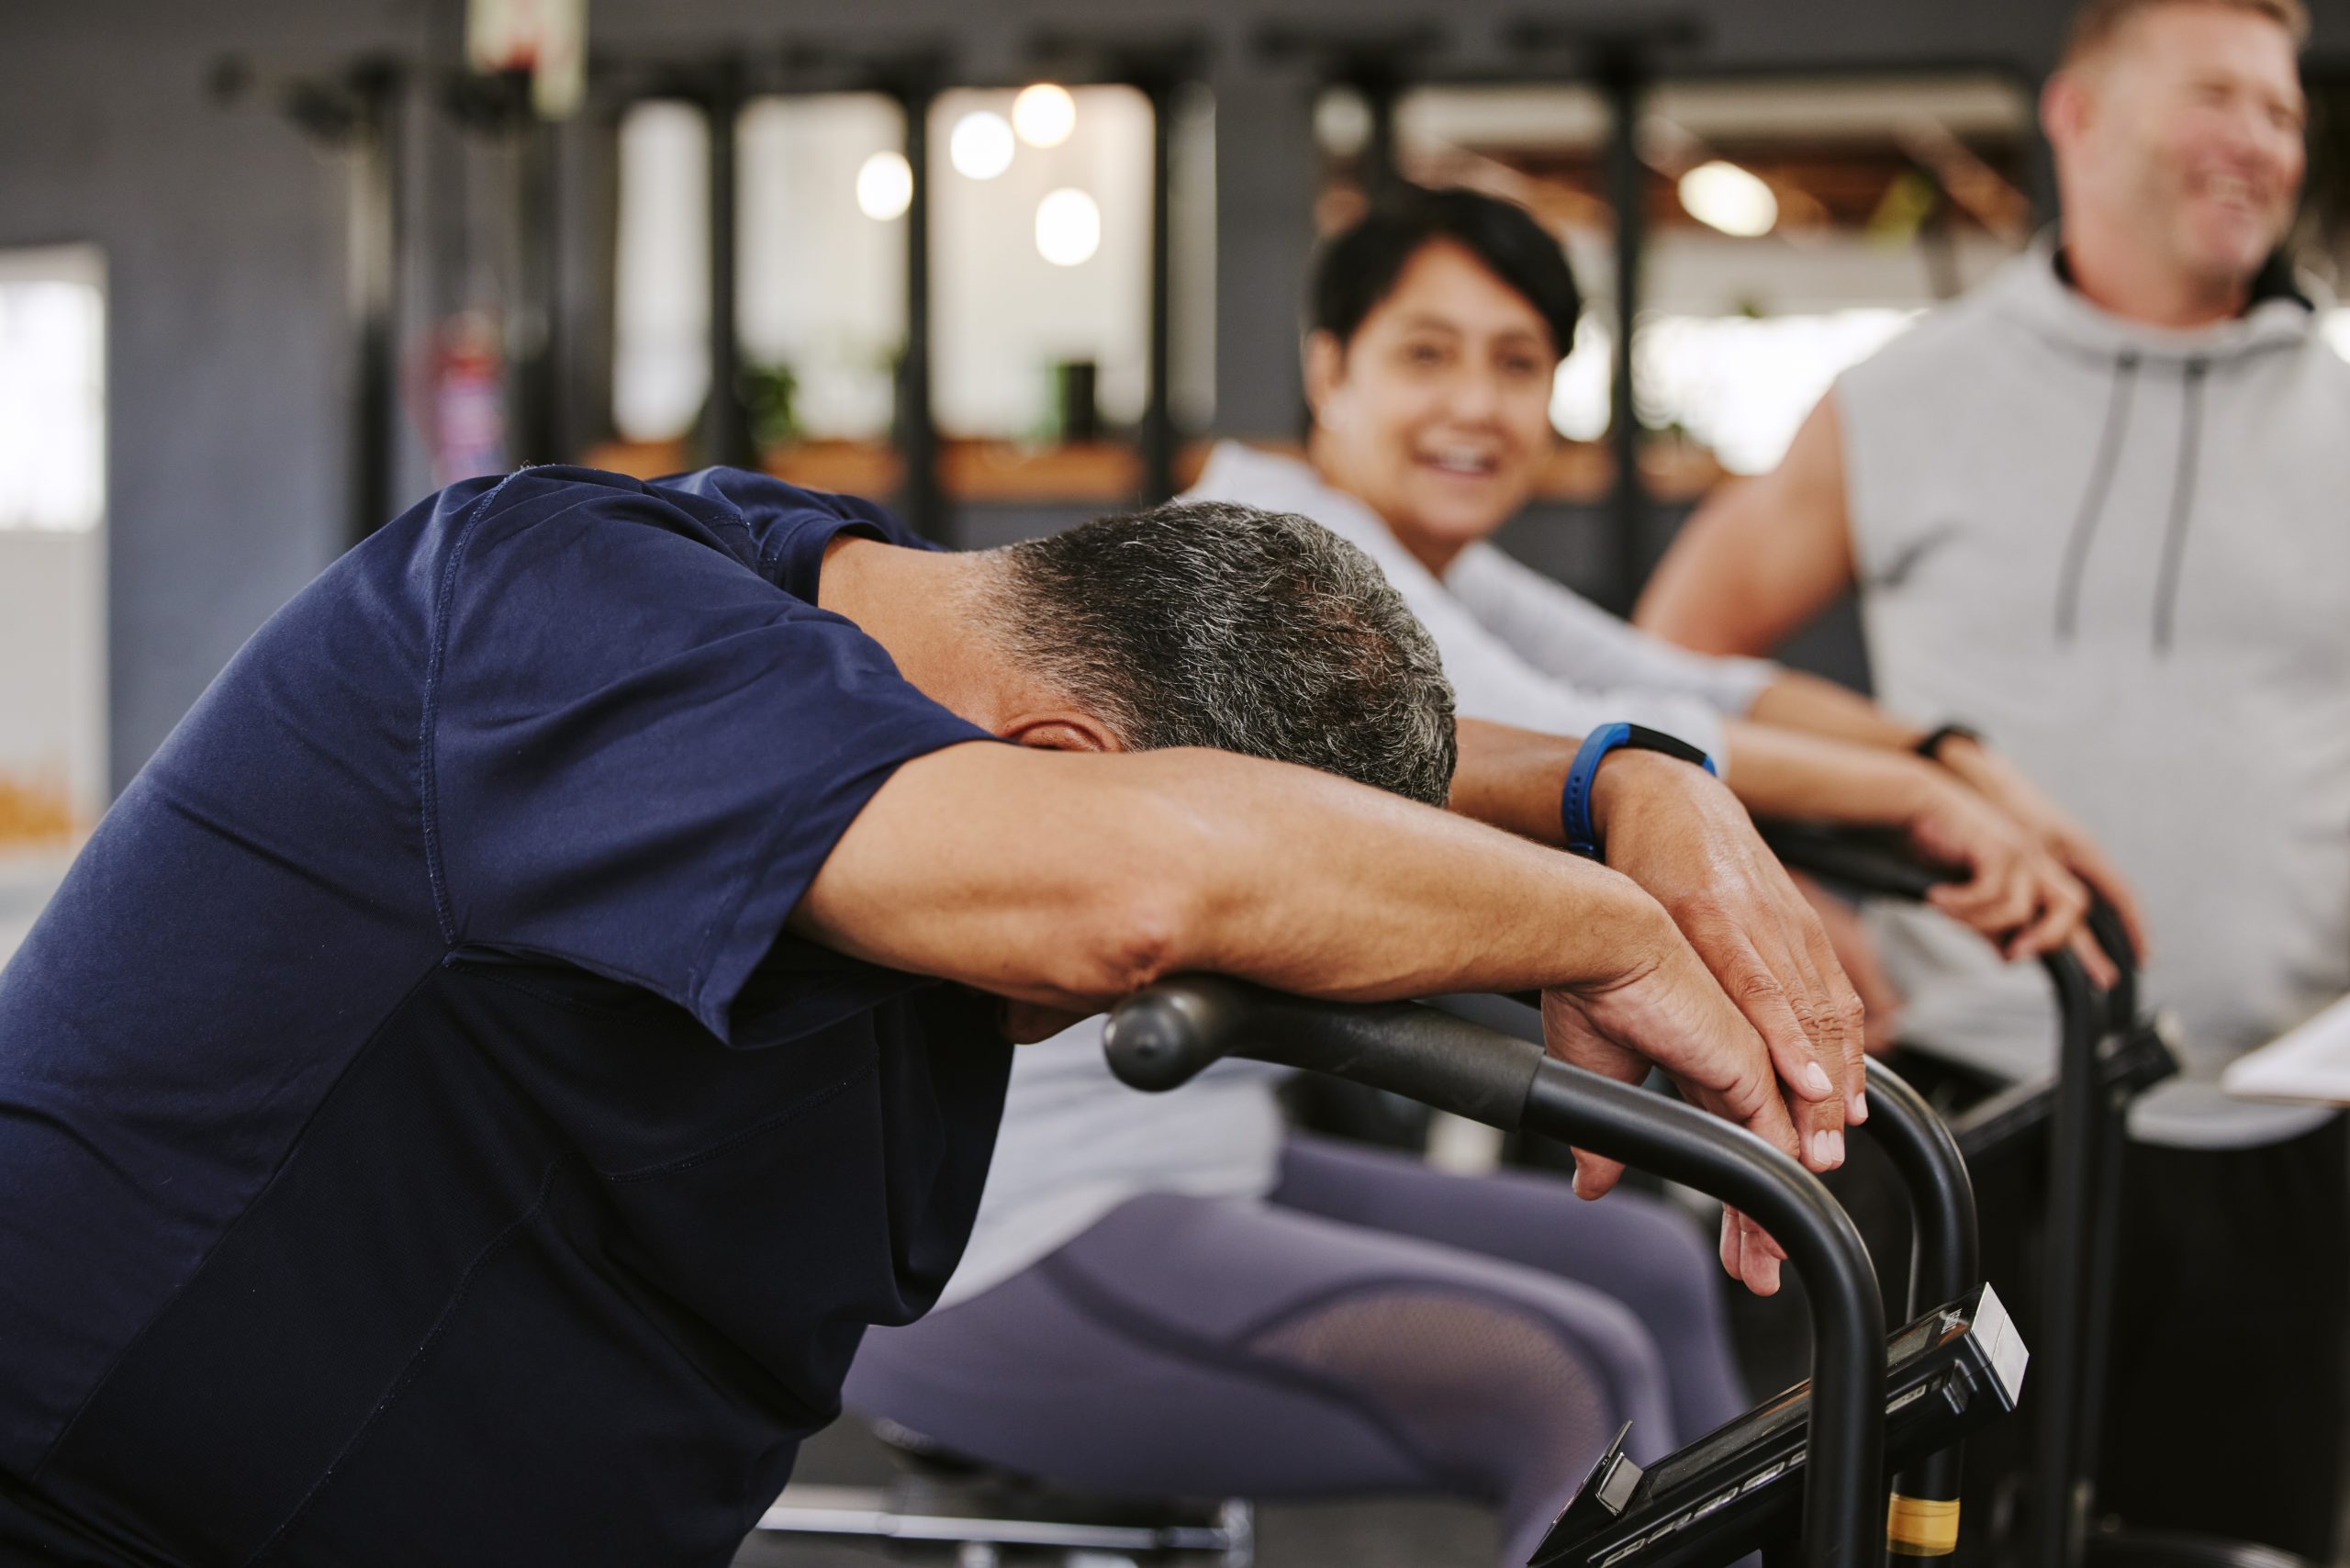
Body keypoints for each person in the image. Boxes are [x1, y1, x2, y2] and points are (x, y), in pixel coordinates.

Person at [0, 464, 1859, 1567]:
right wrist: (1605, 929)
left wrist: (1628, 780)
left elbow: (1210, 811)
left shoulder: (899, 650)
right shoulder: (556, 603)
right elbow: (1140, 879)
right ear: (1052, 755)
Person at [845, 188, 2127, 1564]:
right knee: (1559, 1387)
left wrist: (1944, 759)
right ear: (1329, 368)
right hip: (1003, 1231)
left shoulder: (1427, 561)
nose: (1475, 404)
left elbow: (1676, 685)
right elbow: (1548, 740)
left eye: (1519, 365)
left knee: (1643, 1265)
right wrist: (1921, 800)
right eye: (1427, 354)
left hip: (1205, 1163)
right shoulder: (1269, 552)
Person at [1633, 0, 2345, 1554]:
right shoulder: (1910, 395)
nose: (2261, 143)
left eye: (2285, 114)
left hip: (2280, 1146)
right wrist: (1810, 911)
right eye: (2220, 94)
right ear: (2080, 116)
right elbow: (1674, 658)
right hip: (1970, 1126)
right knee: (1930, 1541)